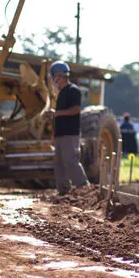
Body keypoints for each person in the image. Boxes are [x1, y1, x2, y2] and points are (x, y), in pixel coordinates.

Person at [47, 61, 90, 195]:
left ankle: (83, 187)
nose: (54, 80)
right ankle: (63, 191)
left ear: (60, 75)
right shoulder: (61, 93)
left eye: (54, 76)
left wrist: (57, 113)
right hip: (60, 134)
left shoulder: (73, 90)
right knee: (59, 165)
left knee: (71, 160)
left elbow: (76, 110)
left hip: (70, 134)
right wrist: (54, 133)